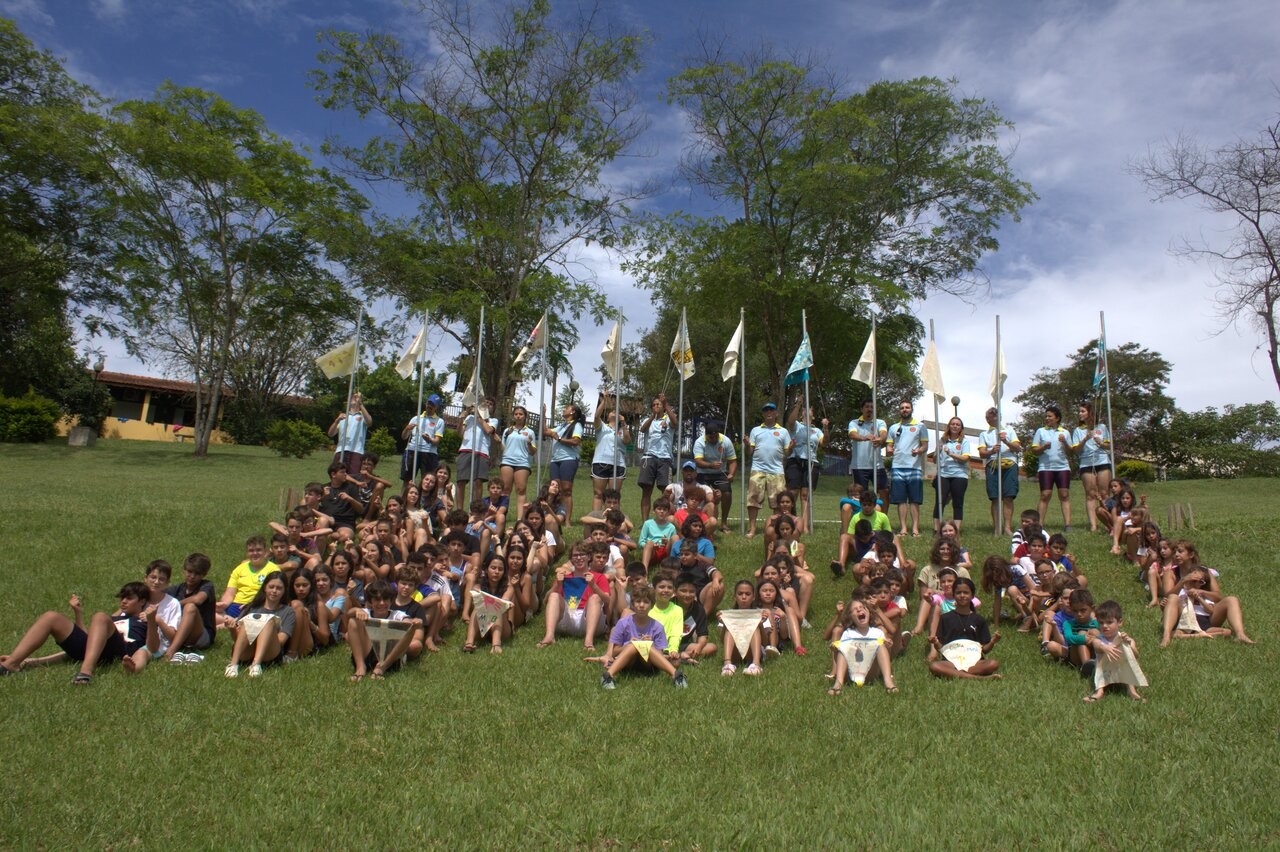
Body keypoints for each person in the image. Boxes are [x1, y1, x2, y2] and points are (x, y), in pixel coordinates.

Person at [0, 584, 151, 683]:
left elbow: (153, 646)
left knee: (100, 616)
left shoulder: (146, 621)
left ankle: (85, 672)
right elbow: (89, 639)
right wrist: (78, 613)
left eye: (129, 598)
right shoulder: (113, 618)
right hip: (94, 652)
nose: (123, 601)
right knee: (51, 617)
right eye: (122, 597)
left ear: (142, 601)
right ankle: (11, 664)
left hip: (118, 653)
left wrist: (152, 620)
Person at [1158, 541, 1255, 647]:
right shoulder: (1171, 573)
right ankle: (1166, 637)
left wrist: (1201, 592)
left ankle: (1240, 634)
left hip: (1206, 617)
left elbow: (1218, 597)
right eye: (1174, 552)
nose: (1176, 555)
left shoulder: (1205, 572)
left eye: (1180, 552)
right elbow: (1168, 597)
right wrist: (1183, 581)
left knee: (1232, 600)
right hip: (1184, 615)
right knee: (1173, 597)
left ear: (1191, 554)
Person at [599, 581, 687, 689]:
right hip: (627, 662)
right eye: (638, 601)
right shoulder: (623, 623)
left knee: (647, 646)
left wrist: (651, 645)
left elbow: (660, 654)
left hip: (648, 664)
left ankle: (676, 675)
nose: (641, 605)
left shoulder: (657, 626)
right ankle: (608, 676)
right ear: (632, 604)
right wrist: (629, 644)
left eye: (646, 602)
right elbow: (614, 652)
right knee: (633, 646)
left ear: (652, 605)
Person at [536, 543, 609, 651]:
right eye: (575, 555)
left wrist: (594, 586)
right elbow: (546, 600)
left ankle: (588, 641)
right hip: (567, 618)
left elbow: (607, 600)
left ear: (589, 557)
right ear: (571, 559)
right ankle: (549, 636)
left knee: (595, 598)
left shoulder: (599, 577)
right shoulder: (563, 577)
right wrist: (557, 585)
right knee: (554, 595)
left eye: (582, 554)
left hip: (589, 620)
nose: (579, 558)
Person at [927, 577, 1002, 680]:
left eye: (966, 593)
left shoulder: (979, 620)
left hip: (974, 661)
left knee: (993, 664)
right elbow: (941, 648)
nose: (962, 596)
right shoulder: (945, 618)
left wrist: (993, 641)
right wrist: (935, 642)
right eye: (958, 593)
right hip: (951, 661)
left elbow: (985, 650)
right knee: (934, 666)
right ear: (953, 595)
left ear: (972, 595)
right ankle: (979, 678)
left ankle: (957, 674)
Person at [224, 571, 294, 678]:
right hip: (247, 650)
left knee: (269, 621)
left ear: (284, 591)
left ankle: (255, 665)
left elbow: (281, 641)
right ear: (265, 588)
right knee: (247, 621)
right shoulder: (252, 607)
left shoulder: (288, 611)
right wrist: (232, 628)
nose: (274, 591)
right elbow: (238, 639)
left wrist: (265, 630)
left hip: (270, 652)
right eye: (271, 587)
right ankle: (233, 665)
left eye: (279, 588)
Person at [345, 579, 417, 681]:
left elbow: (407, 621)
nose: (382, 603)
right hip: (367, 654)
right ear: (370, 601)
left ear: (391, 601)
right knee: (353, 621)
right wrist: (357, 610)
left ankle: (381, 668)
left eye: (385, 599)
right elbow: (349, 613)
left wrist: (413, 622)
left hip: (389, 658)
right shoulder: (365, 612)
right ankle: (360, 667)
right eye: (377, 600)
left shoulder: (396, 615)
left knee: (409, 627)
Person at [828, 597, 898, 696]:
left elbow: (886, 653)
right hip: (852, 671)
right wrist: (836, 648)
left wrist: (887, 645)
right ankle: (838, 683)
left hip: (871, 671)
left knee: (881, 646)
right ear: (851, 617)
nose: (859, 610)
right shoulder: (848, 633)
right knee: (842, 648)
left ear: (869, 612)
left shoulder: (877, 632)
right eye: (855, 609)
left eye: (862, 607)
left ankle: (888, 682)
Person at [745, 402, 794, 539]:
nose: (768, 413)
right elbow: (750, 452)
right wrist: (747, 445)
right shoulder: (755, 430)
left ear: (776, 413)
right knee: (753, 500)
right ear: (763, 414)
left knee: (778, 501)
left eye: (771, 410)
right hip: (757, 469)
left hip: (776, 471)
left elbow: (787, 453)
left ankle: (776, 528)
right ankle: (752, 529)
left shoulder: (783, 431)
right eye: (766, 410)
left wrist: (791, 448)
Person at [1082, 600, 1145, 703]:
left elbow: (1136, 656)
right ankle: (1099, 692)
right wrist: (1105, 648)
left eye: (1109, 622)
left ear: (1119, 622)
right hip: (1104, 672)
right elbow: (1097, 646)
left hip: (1121, 671)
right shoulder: (1099, 639)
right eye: (1101, 623)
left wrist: (1129, 645)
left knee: (1128, 660)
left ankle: (1132, 691)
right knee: (1099, 665)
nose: (1105, 626)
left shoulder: (1125, 639)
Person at [161, 552, 217, 663]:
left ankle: (171, 650)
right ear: (184, 570)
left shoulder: (207, 586)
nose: (192, 576)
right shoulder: (177, 589)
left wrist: (176, 604)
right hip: (181, 632)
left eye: (197, 574)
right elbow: (157, 596)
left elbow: (198, 599)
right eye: (189, 572)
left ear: (204, 575)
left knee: (190, 607)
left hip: (201, 635)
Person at [216, 535, 279, 629]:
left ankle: (231, 622)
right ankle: (235, 621)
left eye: (258, 550)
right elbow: (230, 593)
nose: (255, 553)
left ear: (265, 552)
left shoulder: (273, 570)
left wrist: (252, 604)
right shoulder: (239, 569)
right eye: (251, 551)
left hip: (257, 607)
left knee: (259, 615)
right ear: (247, 553)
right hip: (236, 606)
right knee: (209, 613)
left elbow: (273, 595)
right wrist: (223, 604)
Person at [785, 399, 828, 533]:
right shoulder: (797, 425)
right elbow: (790, 422)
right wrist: (798, 404)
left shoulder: (817, 430)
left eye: (809, 409)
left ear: (813, 416)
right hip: (795, 460)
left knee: (805, 495)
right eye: (805, 409)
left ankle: (805, 527)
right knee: (792, 493)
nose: (806, 410)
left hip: (811, 462)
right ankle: (790, 522)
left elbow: (824, 443)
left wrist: (826, 428)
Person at [978, 406, 1022, 536]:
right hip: (993, 465)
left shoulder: (1009, 430)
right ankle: (997, 527)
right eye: (990, 415)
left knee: (1008, 497)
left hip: (1010, 465)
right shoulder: (984, 434)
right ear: (987, 419)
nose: (993, 417)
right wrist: (992, 451)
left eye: (995, 414)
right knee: (995, 498)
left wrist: (1005, 441)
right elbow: (981, 454)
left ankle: (1007, 527)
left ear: (1000, 417)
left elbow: (1017, 448)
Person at [885, 400, 926, 537]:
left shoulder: (920, 426)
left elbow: (925, 446)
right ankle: (903, 528)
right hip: (897, 467)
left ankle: (915, 529)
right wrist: (889, 450)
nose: (904, 409)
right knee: (901, 500)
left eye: (907, 407)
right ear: (899, 411)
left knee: (914, 500)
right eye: (902, 408)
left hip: (914, 468)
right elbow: (889, 446)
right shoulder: (893, 427)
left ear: (911, 409)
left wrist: (919, 450)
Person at [1072, 402, 1113, 533]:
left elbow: (1109, 446)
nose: (1080, 414)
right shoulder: (1078, 431)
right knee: (1091, 494)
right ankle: (1093, 526)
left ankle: (1109, 523)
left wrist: (1100, 442)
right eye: (1079, 411)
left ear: (1090, 413)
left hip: (1102, 461)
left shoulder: (1102, 427)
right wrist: (1085, 439)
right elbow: (1076, 451)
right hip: (1086, 463)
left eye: (1082, 411)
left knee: (1104, 493)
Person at [1032, 404, 1073, 531]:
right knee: (1045, 494)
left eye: (1050, 416)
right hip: (1045, 467)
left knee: (1064, 495)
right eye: (1046, 416)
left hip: (1062, 467)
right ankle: (1039, 525)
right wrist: (1043, 447)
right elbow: (1034, 451)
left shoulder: (1065, 432)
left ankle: (1068, 525)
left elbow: (1070, 452)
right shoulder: (1040, 431)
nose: (1047, 418)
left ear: (1057, 418)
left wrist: (1064, 442)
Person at [636, 393, 677, 522]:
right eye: (654, 405)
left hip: (665, 459)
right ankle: (645, 522)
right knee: (646, 491)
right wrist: (652, 416)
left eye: (658, 404)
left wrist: (666, 404)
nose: (656, 406)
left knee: (666, 491)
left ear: (663, 406)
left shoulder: (668, 419)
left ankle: (665, 520)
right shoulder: (649, 421)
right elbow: (643, 429)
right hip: (649, 457)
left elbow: (675, 423)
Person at [543, 402, 585, 526]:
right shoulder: (562, 425)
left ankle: (567, 521)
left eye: (567, 408)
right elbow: (545, 431)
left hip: (569, 459)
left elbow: (576, 441)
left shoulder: (576, 425)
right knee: (556, 489)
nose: (564, 409)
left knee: (566, 490)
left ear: (572, 412)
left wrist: (559, 439)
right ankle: (556, 516)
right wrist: (544, 414)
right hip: (555, 460)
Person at [692, 420, 737, 534]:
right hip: (703, 473)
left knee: (727, 493)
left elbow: (732, 461)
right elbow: (698, 461)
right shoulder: (699, 442)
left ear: (718, 433)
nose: (713, 439)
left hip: (720, 473)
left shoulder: (726, 441)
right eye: (710, 437)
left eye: (715, 436)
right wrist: (711, 465)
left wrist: (731, 474)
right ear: (706, 435)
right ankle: (704, 522)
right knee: (706, 496)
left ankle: (724, 523)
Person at [456, 396, 498, 512]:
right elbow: (460, 433)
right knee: (461, 481)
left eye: (490, 404)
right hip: (466, 449)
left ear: (493, 409)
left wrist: (479, 415)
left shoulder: (493, 421)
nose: (487, 404)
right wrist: (461, 418)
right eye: (486, 402)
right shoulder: (469, 418)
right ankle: (459, 510)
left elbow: (488, 430)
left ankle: (476, 511)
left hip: (482, 452)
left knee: (478, 482)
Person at [931, 416, 971, 533]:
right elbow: (935, 460)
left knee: (958, 502)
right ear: (949, 426)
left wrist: (951, 454)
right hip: (943, 474)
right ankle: (937, 529)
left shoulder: (964, 441)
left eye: (958, 424)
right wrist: (937, 452)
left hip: (959, 475)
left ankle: (956, 530)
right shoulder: (942, 440)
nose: (955, 426)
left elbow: (965, 458)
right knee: (940, 501)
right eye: (953, 424)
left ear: (961, 428)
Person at [499, 404, 538, 520]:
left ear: (525, 416)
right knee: (505, 489)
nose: (518, 416)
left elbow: (533, 452)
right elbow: (503, 447)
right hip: (507, 461)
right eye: (516, 414)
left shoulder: (530, 432)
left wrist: (529, 443)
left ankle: (520, 519)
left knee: (521, 490)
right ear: (513, 416)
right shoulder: (508, 430)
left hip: (522, 462)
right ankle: (501, 516)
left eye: (521, 414)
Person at [590, 394, 628, 510]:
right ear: (607, 417)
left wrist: (623, 423)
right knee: (598, 493)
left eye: (616, 412)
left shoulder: (622, 430)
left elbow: (627, 440)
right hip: (601, 462)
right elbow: (596, 416)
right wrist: (604, 401)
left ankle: (614, 518)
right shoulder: (602, 427)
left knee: (614, 496)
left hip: (618, 464)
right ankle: (596, 517)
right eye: (611, 412)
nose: (614, 412)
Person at [847, 398, 888, 506]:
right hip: (859, 466)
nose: (870, 409)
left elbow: (884, 434)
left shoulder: (880, 422)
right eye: (867, 407)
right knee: (860, 495)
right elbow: (852, 434)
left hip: (877, 465)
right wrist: (865, 437)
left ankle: (883, 515)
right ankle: (862, 515)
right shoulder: (854, 423)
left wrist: (880, 439)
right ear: (862, 409)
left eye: (872, 407)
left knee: (884, 491)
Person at [719, 579, 764, 676]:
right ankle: (727, 664)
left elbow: (765, 642)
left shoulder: (760, 613)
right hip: (735, 653)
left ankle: (756, 665)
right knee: (729, 628)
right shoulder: (728, 614)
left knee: (754, 628)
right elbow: (722, 641)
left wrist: (760, 624)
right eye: (740, 594)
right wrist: (725, 624)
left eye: (747, 594)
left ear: (753, 597)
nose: (744, 597)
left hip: (752, 653)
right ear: (735, 596)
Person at [401, 393, 445, 488]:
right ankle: (404, 497)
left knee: (428, 481)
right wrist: (406, 429)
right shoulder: (416, 418)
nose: (430, 406)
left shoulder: (439, 421)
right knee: (407, 481)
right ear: (426, 403)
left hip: (429, 453)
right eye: (429, 403)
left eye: (433, 404)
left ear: (436, 407)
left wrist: (429, 439)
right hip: (412, 450)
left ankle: (424, 498)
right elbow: (404, 437)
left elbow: (437, 441)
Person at [328, 391, 371, 476]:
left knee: (354, 476)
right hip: (340, 450)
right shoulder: (342, 417)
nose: (354, 398)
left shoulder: (362, 416)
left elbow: (369, 422)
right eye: (352, 397)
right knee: (337, 476)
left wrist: (361, 404)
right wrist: (336, 421)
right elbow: (330, 434)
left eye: (356, 397)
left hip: (356, 451)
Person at [638, 498, 677, 570]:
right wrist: (651, 546)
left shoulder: (671, 527)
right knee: (649, 543)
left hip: (665, 550)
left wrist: (667, 542)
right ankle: (644, 571)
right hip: (653, 551)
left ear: (668, 512)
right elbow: (641, 542)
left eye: (664, 510)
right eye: (659, 509)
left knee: (675, 537)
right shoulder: (648, 524)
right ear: (654, 511)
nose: (662, 511)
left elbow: (674, 543)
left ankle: (675, 565)